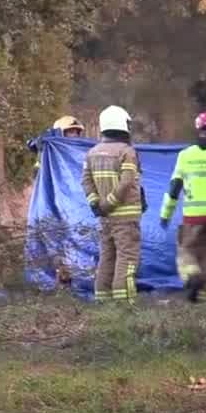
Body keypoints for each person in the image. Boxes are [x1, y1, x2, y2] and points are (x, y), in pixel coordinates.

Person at [160, 110, 206, 302]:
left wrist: (166, 214)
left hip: (192, 215)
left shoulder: (185, 155)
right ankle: (204, 294)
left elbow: (174, 187)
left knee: (186, 251)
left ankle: (192, 276)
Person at [80, 105, 144, 304]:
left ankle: (103, 300)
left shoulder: (92, 153)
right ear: (123, 126)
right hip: (125, 218)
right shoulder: (127, 152)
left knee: (107, 257)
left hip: (105, 219)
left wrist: (96, 205)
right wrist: (108, 204)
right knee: (127, 258)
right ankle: (124, 302)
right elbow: (126, 182)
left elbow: (86, 181)